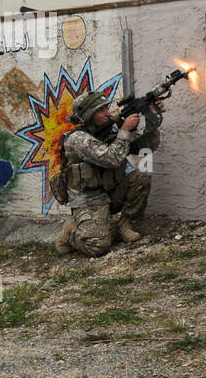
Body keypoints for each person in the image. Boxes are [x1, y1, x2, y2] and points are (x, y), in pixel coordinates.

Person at [54, 91, 161, 257]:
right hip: (89, 201)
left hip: (110, 191)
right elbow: (112, 159)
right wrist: (124, 130)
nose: (107, 113)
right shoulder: (78, 139)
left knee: (141, 176)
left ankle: (123, 223)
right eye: (100, 110)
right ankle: (71, 233)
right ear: (88, 115)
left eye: (106, 108)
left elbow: (145, 146)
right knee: (97, 247)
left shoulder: (108, 130)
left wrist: (153, 117)